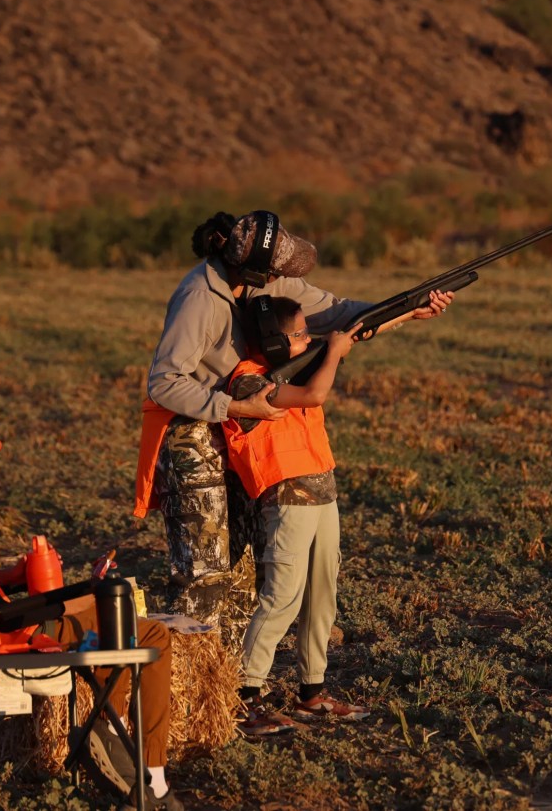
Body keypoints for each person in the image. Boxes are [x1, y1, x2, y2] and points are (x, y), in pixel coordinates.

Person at [133, 211, 451, 641]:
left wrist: (408, 309)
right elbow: (164, 381)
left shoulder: (272, 281)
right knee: (205, 573)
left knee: (244, 567)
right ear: (253, 270)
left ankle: (240, 686)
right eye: (280, 271)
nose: (288, 278)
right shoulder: (198, 299)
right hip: (194, 430)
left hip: (245, 428)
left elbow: (338, 314)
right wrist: (232, 406)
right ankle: (195, 691)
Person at [0, 410, 182, 811]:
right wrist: (76, 598)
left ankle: (109, 730)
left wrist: (15, 576)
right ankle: (144, 770)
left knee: (103, 615)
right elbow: (0, 615)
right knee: (146, 632)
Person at [223, 296, 375, 735]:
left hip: (322, 492)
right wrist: (330, 353)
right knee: (283, 598)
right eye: (301, 335)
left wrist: (411, 312)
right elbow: (315, 394)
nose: (310, 339)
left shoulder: (299, 364)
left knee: (321, 595)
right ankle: (243, 696)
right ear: (274, 341)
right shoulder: (247, 384)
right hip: (287, 499)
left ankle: (311, 692)